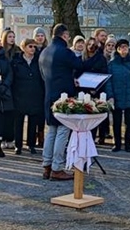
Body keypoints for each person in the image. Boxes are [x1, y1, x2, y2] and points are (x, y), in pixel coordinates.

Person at [39, 23, 89, 181]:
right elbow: (79, 65)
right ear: (65, 36)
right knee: (62, 131)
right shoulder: (65, 52)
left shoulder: (44, 52)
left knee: (51, 131)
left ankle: (46, 166)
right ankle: (57, 168)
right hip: (63, 96)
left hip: (48, 95)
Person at [106, 38, 130, 152]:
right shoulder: (112, 64)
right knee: (116, 122)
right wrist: (110, 96)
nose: (123, 49)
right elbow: (108, 81)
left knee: (129, 122)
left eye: (125, 47)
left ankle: (127, 144)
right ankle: (116, 143)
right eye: (121, 47)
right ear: (117, 49)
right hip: (116, 96)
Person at [11, 38, 45, 154]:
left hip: (35, 94)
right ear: (23, 48)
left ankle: (31, 144)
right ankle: (18, 145)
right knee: (18, 122)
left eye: (34, 47)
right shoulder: (16, 61)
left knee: (33, 122)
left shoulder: (38, 60)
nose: (33, 49)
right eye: (30, 46)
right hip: (19, 94)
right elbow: (12, 78)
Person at [80, 38, 110, 145]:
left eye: (93, 44)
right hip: (83, 90)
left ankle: (98, 137)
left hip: (97, 90)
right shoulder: (81, 58)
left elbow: (104, 74)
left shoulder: (101, 58)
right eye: (89, 44)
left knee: (96, 114)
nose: (91, 46)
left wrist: (95, 88)